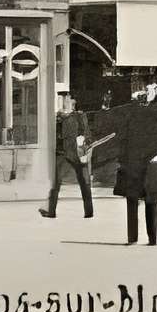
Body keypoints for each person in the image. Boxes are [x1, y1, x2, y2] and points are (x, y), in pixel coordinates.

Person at [113, 81, 157, 247]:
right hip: (133, 159)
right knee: (132, 198)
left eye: (149, 89)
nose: (145, 93)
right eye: (143, 90)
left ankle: (152, 237)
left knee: (152, 198)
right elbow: (123, 133)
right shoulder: (132, 110)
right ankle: (132, 237)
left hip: (153, 159)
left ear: (156, 91)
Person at [38, 87, 97, 220]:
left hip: (78, 152)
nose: (64, 101)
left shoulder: (79, 116)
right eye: (61, 98)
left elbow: (87, 133)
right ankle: (51, 211)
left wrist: (84, 140)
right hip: (62, 152)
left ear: (73, 101)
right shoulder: (57, 117)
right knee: (55, 182)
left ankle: (89, 211)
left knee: (85, 183)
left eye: (67, 98)